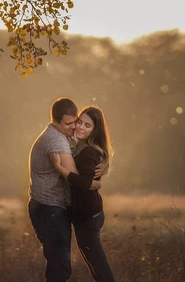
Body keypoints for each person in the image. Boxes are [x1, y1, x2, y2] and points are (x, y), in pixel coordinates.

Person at [28, 97, 102, 282]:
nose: (73, 127)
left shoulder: (61, 136)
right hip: (49, 209)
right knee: (60, 267)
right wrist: (95, 183)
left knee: (58, 265)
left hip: (47, 208)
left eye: (75, 121)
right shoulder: (56, 141)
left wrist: (103, 165)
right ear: (55, 121)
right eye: (68, 123)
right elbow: (76, 178)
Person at [50, 106, 116, 282]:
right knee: (96, 267)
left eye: (88, 126)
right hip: (85, 216)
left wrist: (59, 169)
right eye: (80, 122)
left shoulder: (89, 152)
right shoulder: (80, 146)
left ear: (95, 131)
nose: (81, 127)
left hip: (88, 217)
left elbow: (85, 183)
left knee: (99, 268)